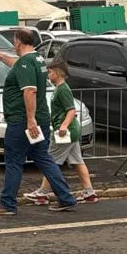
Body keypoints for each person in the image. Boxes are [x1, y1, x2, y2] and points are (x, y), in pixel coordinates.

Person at [0, 28, 77, 215]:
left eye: (14, 41)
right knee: (43, 158)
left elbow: (29, 91)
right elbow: (18, 63)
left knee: (14, 161)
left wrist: (30, 120)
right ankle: (66, 197)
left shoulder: (26, 63)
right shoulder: (37, 59)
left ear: (18, 41)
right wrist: (1, 56)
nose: (13, 45)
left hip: (22, 122)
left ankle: (7, 204)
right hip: (39, 119)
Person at [23, 59, 97, 204]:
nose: (48, 74)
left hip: (65, 132)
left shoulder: (63, 89)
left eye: (50, 72)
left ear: (57, 73)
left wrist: (63, 126)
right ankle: (89, 193)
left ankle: (42, 193)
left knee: (50, 161)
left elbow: (71, 110)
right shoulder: (60, 88)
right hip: (72, 131)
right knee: (77, 161)